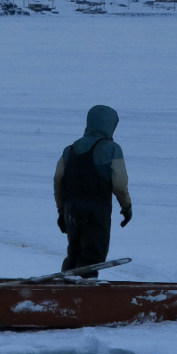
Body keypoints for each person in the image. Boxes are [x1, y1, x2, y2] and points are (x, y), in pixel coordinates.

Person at [53, 105, 133, 277]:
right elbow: (119, 185)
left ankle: (64, 291)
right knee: (92, 257)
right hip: (96, 208)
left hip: (71, 209)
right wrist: (126, 207)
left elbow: (58, 181)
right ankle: (84, 296)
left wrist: (61, 212)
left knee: (73, 254)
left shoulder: (70, 149)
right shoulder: (112, 148)